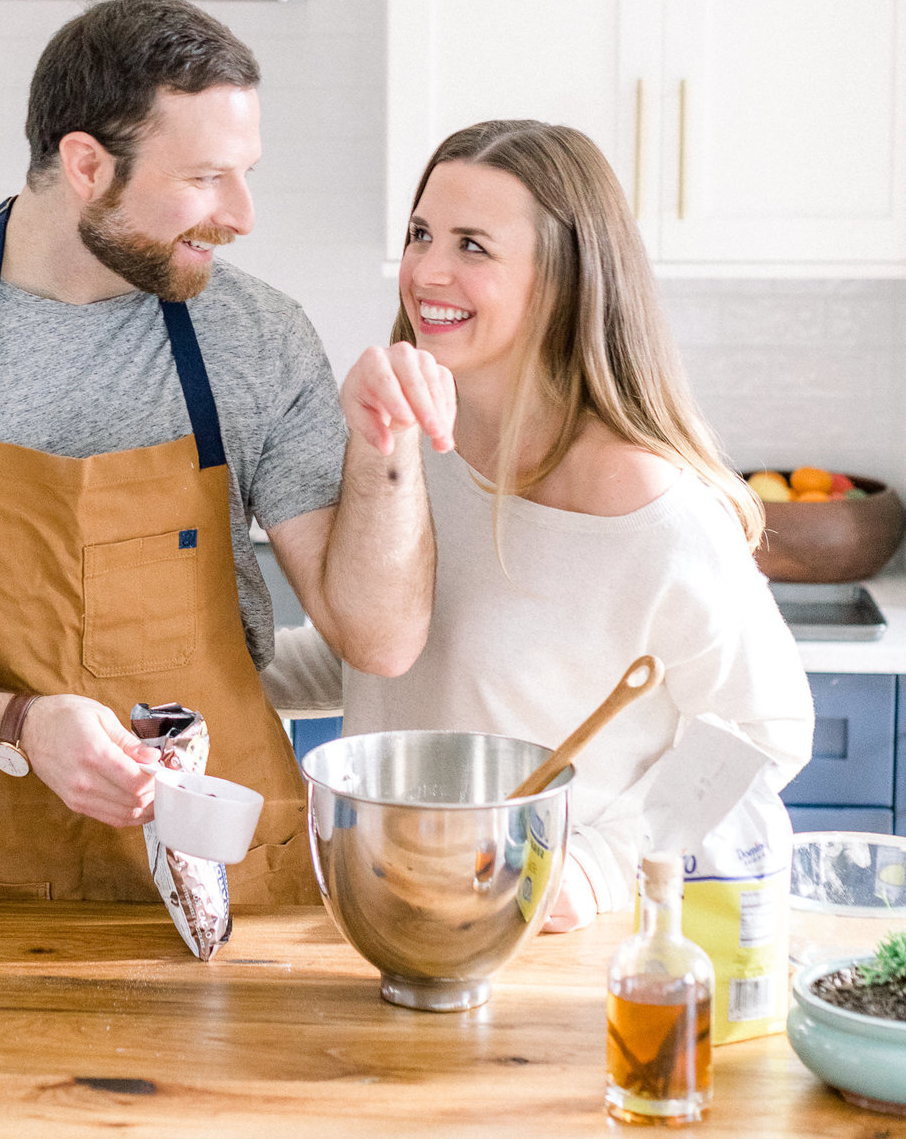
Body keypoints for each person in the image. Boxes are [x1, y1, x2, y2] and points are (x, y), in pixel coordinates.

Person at [0, 0, 453, 908]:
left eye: (245, 173)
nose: (242, 215)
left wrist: (387, 450)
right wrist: (16, 724)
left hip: (228, 883)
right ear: (86, 164)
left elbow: (380, 636)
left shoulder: (259, 334)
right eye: (206, 178)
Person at [262, 119, 814, 930]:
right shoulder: (411, 451)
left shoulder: (655, 511)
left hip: (546, 935)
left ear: (561, 280)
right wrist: (200, 674)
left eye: (473, 246)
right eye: (421, 234)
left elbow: (766, 731)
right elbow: (400, 656)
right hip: (384, 899)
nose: (426, 272)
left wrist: (596, 865)